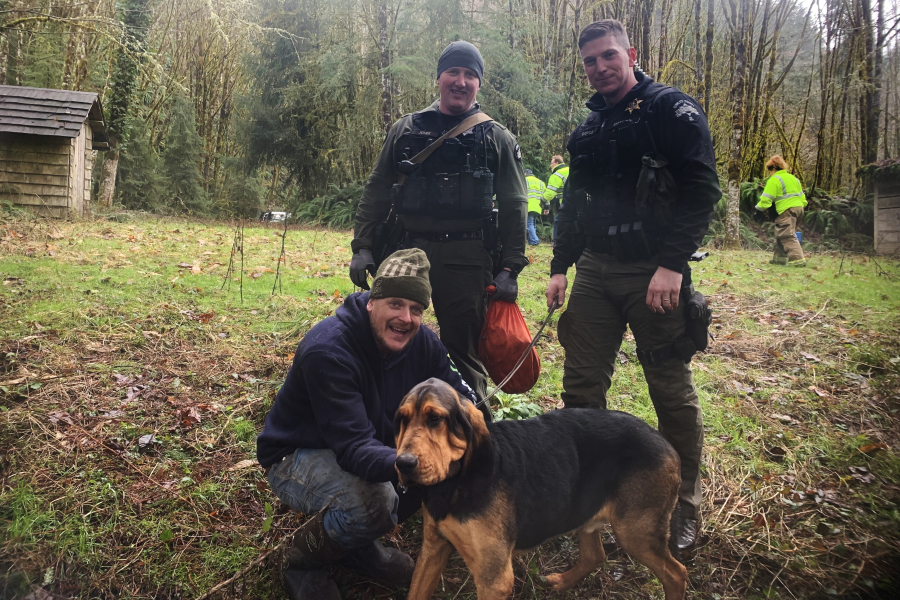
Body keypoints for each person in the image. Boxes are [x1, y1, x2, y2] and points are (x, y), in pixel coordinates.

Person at [545, 19, 720, 557]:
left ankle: (682, 505)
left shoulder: (671, 110)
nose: (599, 68)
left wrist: (671, 265)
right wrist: (560, 266)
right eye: (590, 62)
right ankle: (589, 501)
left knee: (669, 389)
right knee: (580, 391)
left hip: (655, 271)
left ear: (631, 53)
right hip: (595, 269)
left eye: (607, 57)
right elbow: (574, 205)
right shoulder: (588, 130)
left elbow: (702, 190)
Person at [257, 249, 479, 600]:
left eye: (416, 309)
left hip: (367, 446)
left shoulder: (423, 342)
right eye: (395, 304)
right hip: (297, 455)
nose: (406, 318)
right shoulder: (329, 351)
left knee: (428, 464)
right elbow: (354, 447)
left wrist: (475, 426)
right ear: (372, 302)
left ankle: (354, 545)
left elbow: (460, 393)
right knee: (374, 502)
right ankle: (301, 561)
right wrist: (409, 462)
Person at [350, 40, 528, 414]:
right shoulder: (405, 129)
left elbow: (515, 204)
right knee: (386, 338)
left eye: (470, 74)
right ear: (439, 78)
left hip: (466, 256)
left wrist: (511, 267)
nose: (461, 81)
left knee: (463, 352)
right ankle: (383, 421)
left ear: (479, 83)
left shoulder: (496, 137)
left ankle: (477, 437)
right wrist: (363, 246)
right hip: (405, 248)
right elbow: (378, 189)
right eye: (453, 72)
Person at [755, 155, 808, 266]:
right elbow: (803, 198)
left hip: (786, 210)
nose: (769, 173)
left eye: (769, 170)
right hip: (799, 209)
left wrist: (758, 210)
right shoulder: (794, 179)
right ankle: (779, 259)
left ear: (773, 168)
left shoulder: (774, 180)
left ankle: (798, 261)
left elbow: (766, 199)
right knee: (782, 233)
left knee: (787, 235)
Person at [543, 155, 569, 244]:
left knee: (557, 222)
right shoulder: (569, 170)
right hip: (578, 202)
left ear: (557, 163)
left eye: (551, 163)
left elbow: (550, 193)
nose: (550, 166)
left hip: (565, 203)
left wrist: (542, 200)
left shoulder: (557, 174)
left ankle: (556, 244)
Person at [525, 168, 548, 245]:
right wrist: (546, 207)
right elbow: (546, 196)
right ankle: (531, 241)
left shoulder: (525, 180)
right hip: (537, 206)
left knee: (529, 224)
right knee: (532, 224)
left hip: (528, 205)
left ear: (525, 174)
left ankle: (535, 241)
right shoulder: (541, 182)